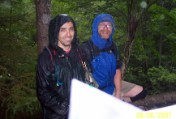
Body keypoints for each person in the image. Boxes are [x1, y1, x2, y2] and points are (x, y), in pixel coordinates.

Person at [80, 13, 146, 103]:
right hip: (95, 90)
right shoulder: (86, 47)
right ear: (96, 27)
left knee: (141, 93)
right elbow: (81, 76)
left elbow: (117, 69)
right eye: (102, 25)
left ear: (112, 28)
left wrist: (118, 93)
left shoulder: (112, 46)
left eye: (109, 25)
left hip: (111, 85)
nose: (106, 28)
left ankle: (119, 100)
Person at [36, 14, 87, 119]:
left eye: (71, 29)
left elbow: (87, 78)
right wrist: (67, 108)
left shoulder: (80, 53)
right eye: (63, 30)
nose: (68, 34)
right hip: (57, 115)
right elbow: (43, 92)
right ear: (55, 32)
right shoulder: (46, 57)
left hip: (81, 112)